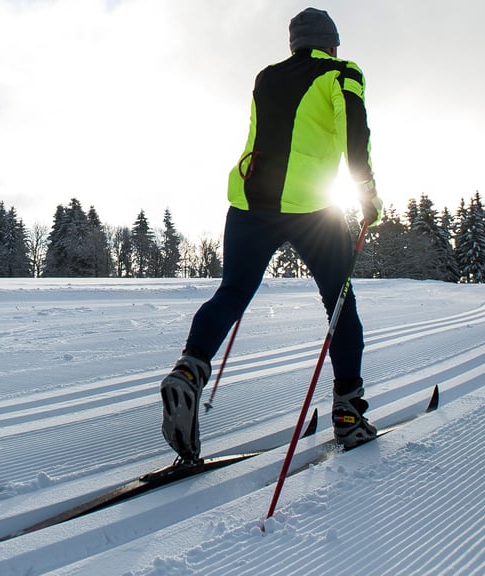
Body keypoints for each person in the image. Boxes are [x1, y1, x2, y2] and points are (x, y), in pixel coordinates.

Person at [159, 7, 383, 463]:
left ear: (294, 44)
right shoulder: (343, 73)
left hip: (248, 202)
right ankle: (348, 412)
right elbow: (353, 132)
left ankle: (188, 370)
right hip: (311, 207)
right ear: (331, 43)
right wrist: (366, 192)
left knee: (234, 291)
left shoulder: (266, 76)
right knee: (339, 302)